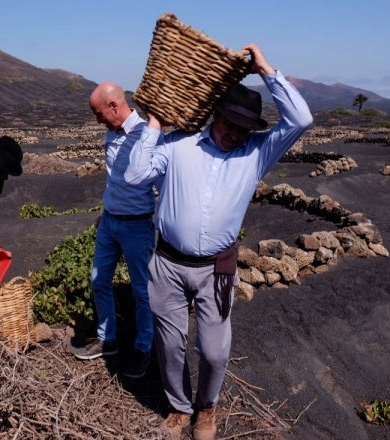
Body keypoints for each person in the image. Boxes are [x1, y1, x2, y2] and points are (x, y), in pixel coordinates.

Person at [124, 43, 313, 440]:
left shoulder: (257, 153)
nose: (235, 134)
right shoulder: (178, 146)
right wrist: (154, 127)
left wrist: (265, 68)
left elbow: (301, 118)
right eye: (230, 124)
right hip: (168, 265)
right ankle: (178, 408)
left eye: (244, 128)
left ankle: (206, 407)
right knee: (170, 345)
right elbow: (135, 176)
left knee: (213, 351)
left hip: (216, 268)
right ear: (215, 115)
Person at [73, 82, 159, 379]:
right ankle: (107, 338)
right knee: (99, 279)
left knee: (142, 290)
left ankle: (143, 347)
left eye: (99, 114)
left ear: (114, 106)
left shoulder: (148, 133)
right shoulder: (110, 133)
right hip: (110, 221)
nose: (98, 121)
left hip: (137, 225)